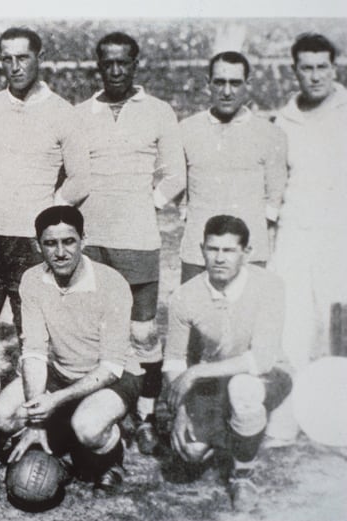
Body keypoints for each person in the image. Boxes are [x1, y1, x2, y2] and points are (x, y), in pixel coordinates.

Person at [74, 32, 185, 453]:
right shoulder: (81, 113)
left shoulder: (158, 111)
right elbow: (70, 172)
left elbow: (175, 174)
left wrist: (147, 202)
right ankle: (100, 411)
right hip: (92, 240)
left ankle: (146, 415)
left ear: (136, 64)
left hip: (138, 239)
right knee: (95, 332)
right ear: (98, 66)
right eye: (108, 63)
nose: (116, 70)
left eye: (124, 62)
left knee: (141, 334)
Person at [0, 206, 142, 497]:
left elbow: (111, 366)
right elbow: (33, 351)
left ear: (83, 240)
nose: (60, 252)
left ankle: (112, 455)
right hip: (60, 373)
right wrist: (36, 421)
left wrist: (57, 400)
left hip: (113, 375)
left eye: (68, 241)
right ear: (38, 246)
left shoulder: (111, 283)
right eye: (50, 243)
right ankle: (57, 436)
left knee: (88, 427)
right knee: (2, 415)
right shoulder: (32, 280)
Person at [0, 27, 89, 336]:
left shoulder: (63, 112)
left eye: (23, 57)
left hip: (30, 242)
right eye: (7, 59)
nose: (15, 66)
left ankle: (30, 385)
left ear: (39, 58)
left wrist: (47, 212)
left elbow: (81, 179)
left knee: (33, 332)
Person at [163, 215, 291, 512]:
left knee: (243, 390)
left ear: (246, 253)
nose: (219, 258)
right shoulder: (185, 295)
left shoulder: (270, 286)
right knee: (191, 451)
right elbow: (173, 359)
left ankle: (242, 475)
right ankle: (232, 433)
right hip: (215, 382)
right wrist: (180, 411)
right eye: (212, 249)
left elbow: (261, 359)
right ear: (201, 249)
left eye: (229, 250)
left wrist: (197, 372)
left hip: (268, 375)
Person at [266, 33, 347, 445]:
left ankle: (337, 423)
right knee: (292, 329)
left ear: (335, 67)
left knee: (339, 330)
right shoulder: (283, 121)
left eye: (322, 67)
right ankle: (286, 420)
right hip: (295, 237)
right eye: (306, 68)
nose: (314, 76)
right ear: (294, 70)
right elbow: (277, 188)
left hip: (340, 238)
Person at [178, 51, 288, 283]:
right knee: (196, 314)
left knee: (247, 317)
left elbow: (274, 197)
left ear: (247, 84)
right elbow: (178, 187)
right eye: (219, 82)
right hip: (198, 253)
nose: (227, 91)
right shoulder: (186, 130)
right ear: (208, 84)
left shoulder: (270, 134)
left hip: (249, 252)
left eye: (235, 83)